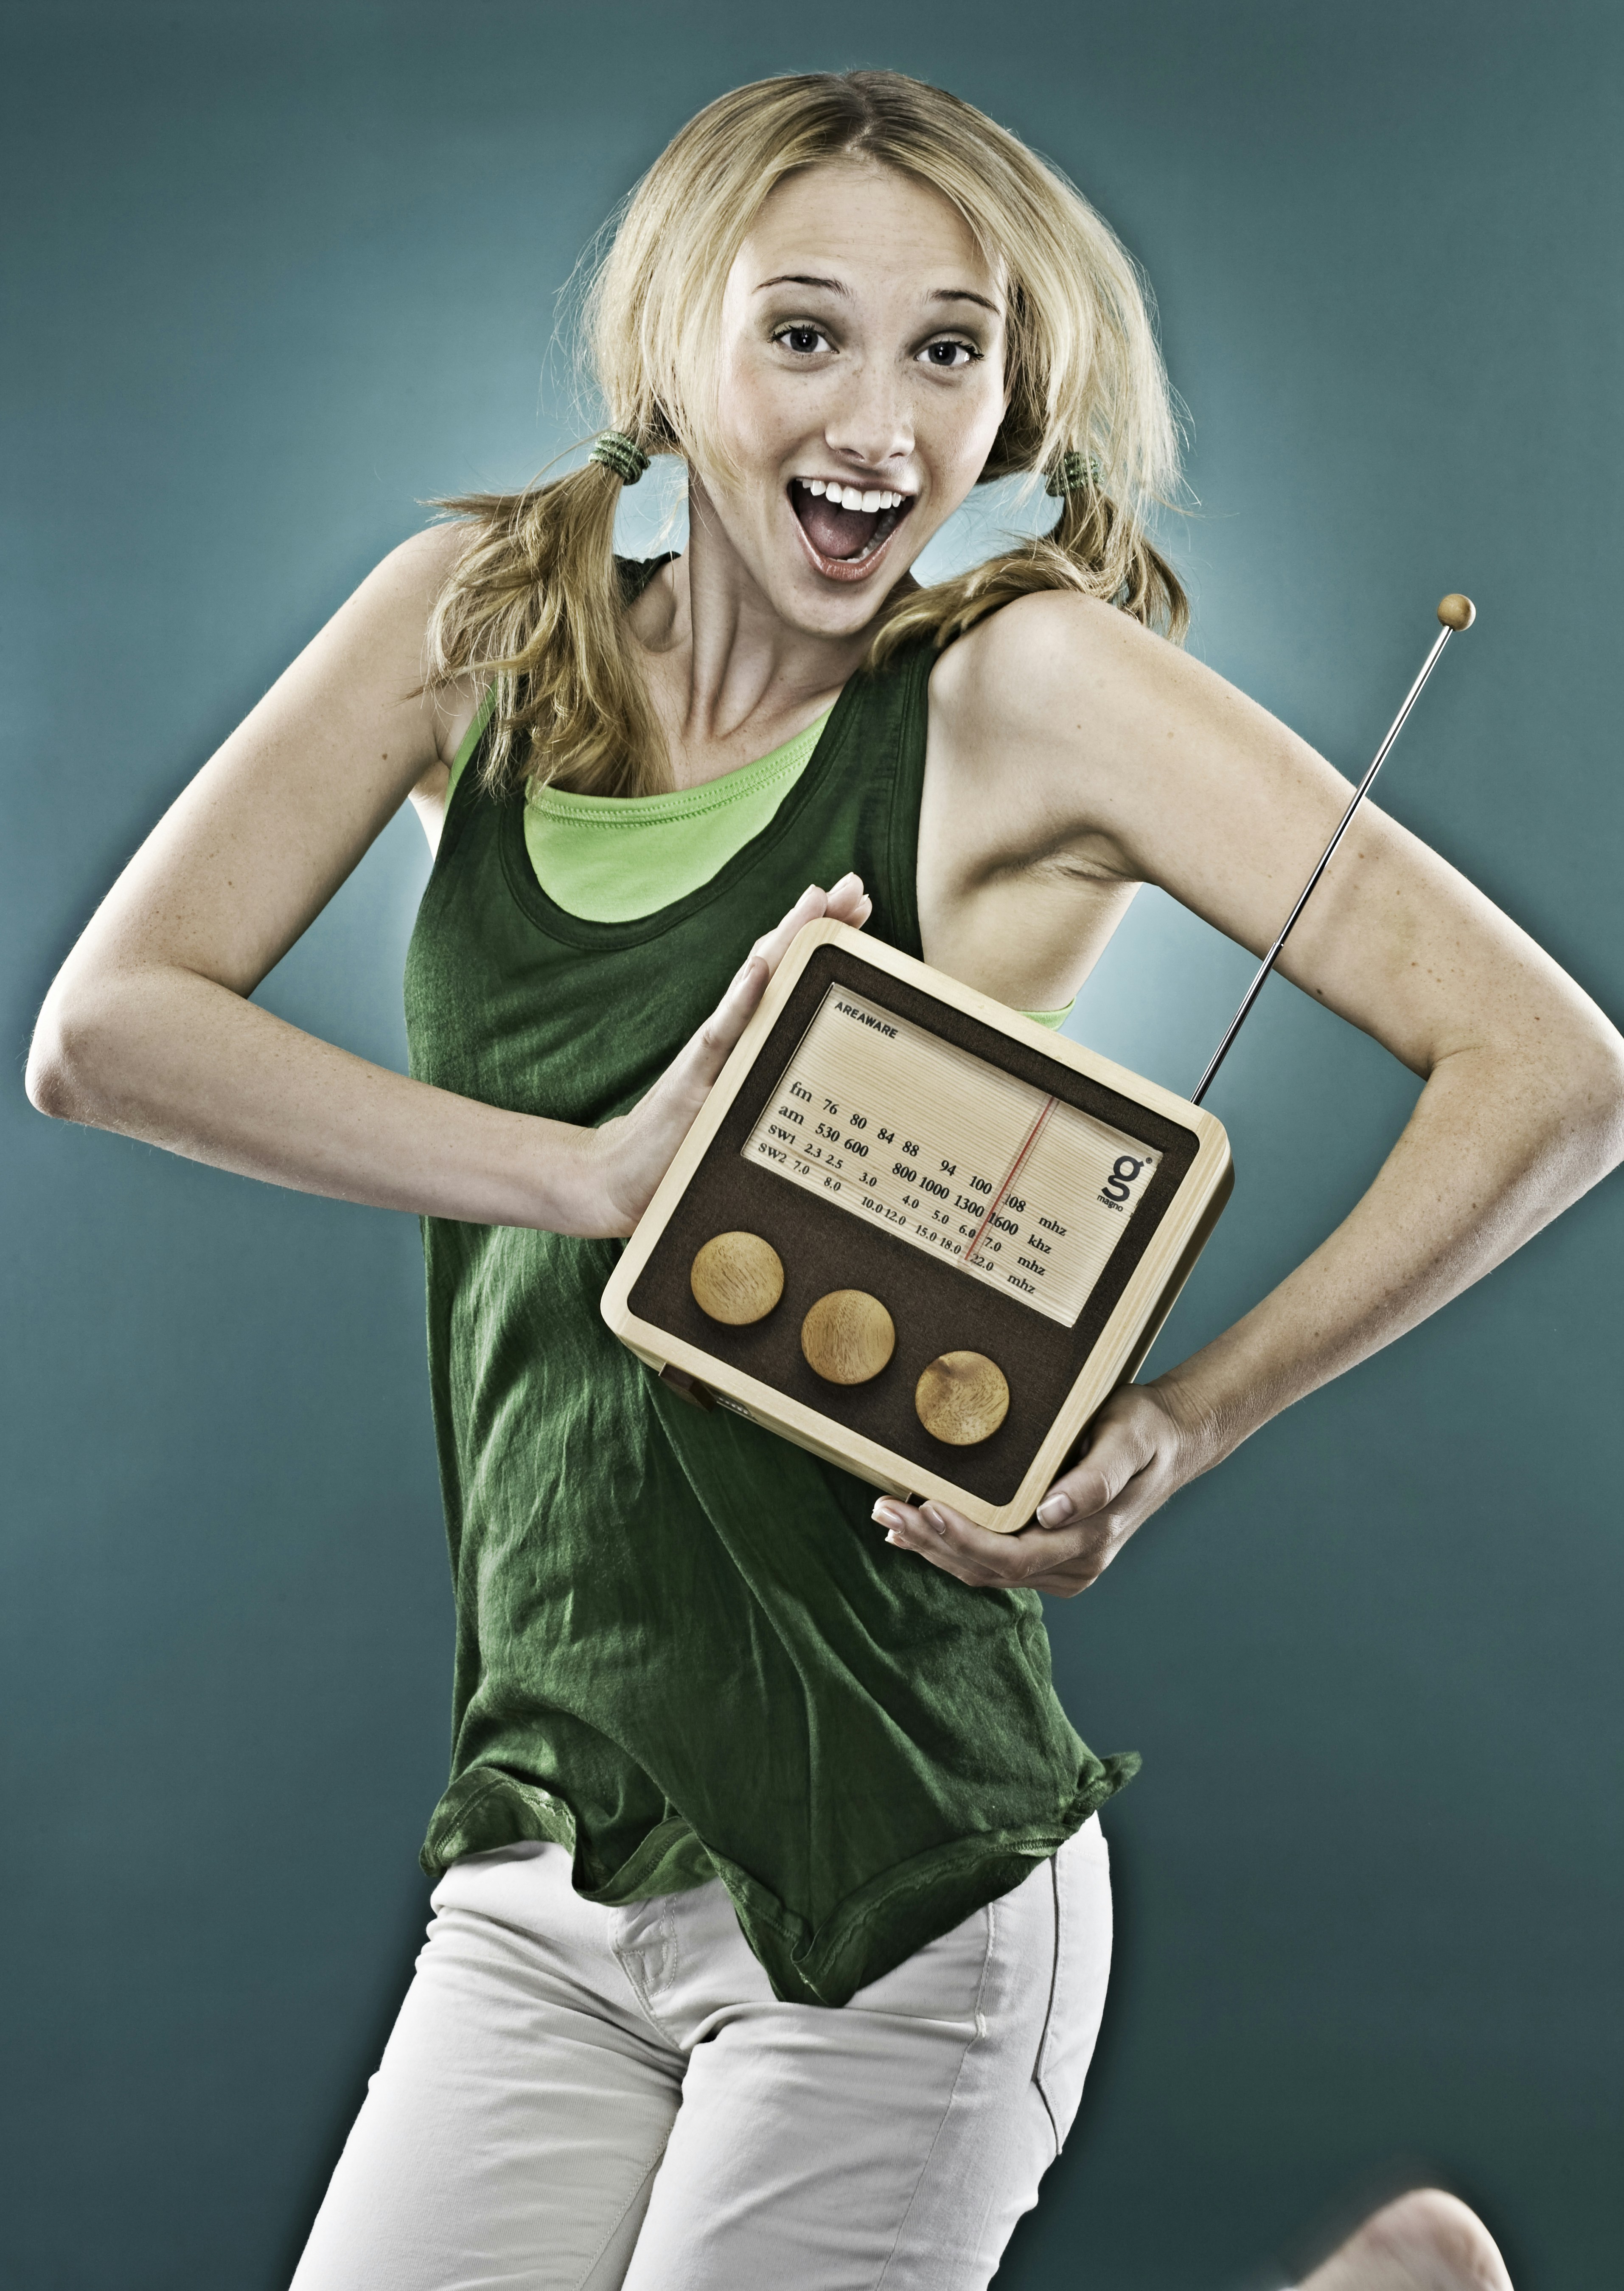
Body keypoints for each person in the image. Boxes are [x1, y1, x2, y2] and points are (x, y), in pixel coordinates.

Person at [25, 67, 1619, 2291]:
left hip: (898, 1854)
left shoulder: (1024, 690)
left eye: (948, 351)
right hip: (553, 1829)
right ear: (671, 352)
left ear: (1009, 408)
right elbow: (107, 1030)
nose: (877, 418)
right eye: (805, 333)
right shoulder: (474, 626)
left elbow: (1553, 1071)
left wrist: (1183, 1421)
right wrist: (589, 1175)